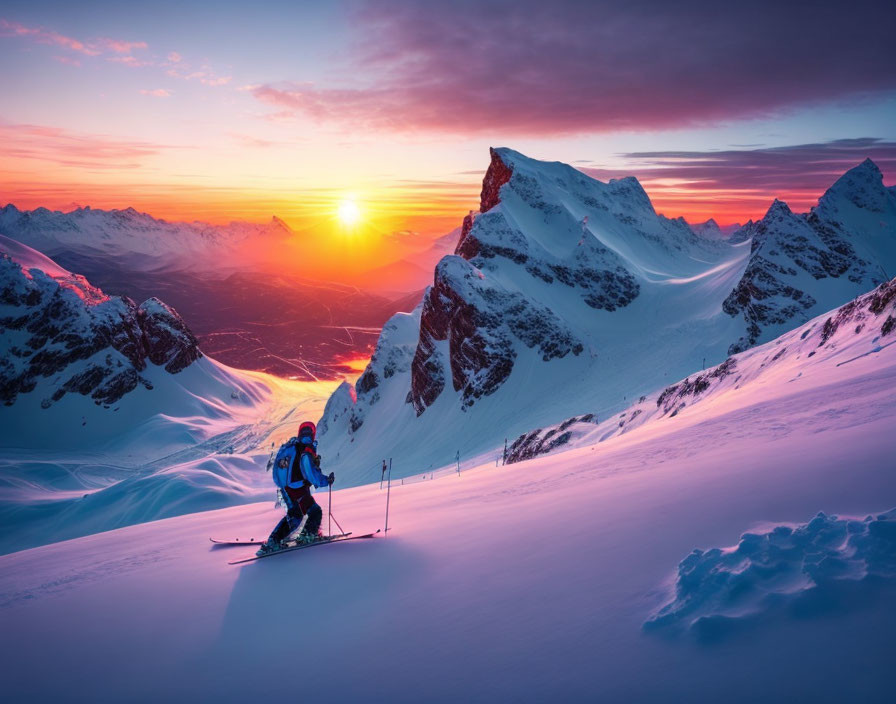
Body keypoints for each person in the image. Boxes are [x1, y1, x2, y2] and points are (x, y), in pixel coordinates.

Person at [257, 420, 334, 555]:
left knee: (295, 515)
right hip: (298, 489)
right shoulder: (306, 449)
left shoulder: (292, 447)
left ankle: (274, 540)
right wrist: (326, 480)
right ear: (313, 434)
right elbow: (310, 473)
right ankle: (306, 536)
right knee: (314, 512)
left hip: (287, 488)